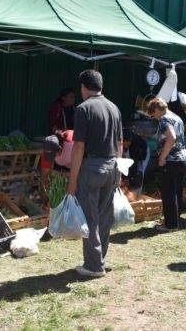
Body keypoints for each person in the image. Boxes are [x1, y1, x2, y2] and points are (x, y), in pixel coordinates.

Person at [66, 70, 122, 277]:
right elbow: (120, 143)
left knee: (89, 218)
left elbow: (79, 147)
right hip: (112, 165)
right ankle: (100, 259)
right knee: (104, 218)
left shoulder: (83, 109)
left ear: (83, 87)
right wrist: (118, 171)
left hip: (91, 168)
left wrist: (72, 180)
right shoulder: (113, 107)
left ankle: (93, 266)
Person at [147, 97, 186, 232]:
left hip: (171, 160)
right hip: (183, 158)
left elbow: (171, 137)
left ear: (157, 110)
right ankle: (174, 220)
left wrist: (162, 157)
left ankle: (170, 225)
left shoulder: (165, 119)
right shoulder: (176, 117)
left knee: (168, 193)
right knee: (176, 191)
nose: (154, 117)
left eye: (153, 114)